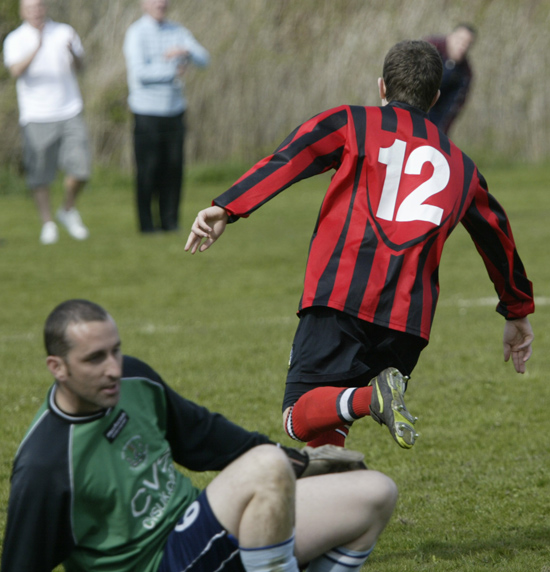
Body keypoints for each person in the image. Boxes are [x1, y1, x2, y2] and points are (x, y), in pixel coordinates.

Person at [185, 40, 535, 451]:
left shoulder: (353, 122)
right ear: (435, 98)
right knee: (329, 428)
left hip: (341, 298)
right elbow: (497, 235)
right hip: (407, 322)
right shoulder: (464, 168)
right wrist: (517, 310)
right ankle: (347, 449)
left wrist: (228, 206)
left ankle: (372, 399)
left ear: (382, 87)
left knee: (297, 417)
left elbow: (290, 157)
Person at [1, 299, 397, 572]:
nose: (112, 368)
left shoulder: (134, 379)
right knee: (266, 465)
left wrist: (300, 461)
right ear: (57, 367)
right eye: (94, 358)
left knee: (375, 493)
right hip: (159, 563)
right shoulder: (45, 465)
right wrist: (278, 462)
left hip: (196, 534)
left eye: (115, 351)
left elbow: (205, 437)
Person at [3, 0, 91, 245]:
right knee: (39, 173)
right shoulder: (15, 38)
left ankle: (67, 209)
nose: (36, 11)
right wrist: (37, 47)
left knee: (81, 168)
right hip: (36, 114)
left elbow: (81, 66)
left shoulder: (64, 31)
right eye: (30, 7)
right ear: (22, 11)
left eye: (39, 6)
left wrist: (72, 52)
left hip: (70, 109)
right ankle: (47, 224)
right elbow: (15, 71)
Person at [123, 0, 209, 234]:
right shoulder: (136, 33)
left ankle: (170, 222)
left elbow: (204, 59)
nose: (160, 4)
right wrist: (171, 68)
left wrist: (185, 51)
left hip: (174, 111)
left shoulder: (177, 31)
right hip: (146, 112)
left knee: (173, 168)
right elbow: (140, 73)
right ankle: (147, 226)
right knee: (148, 169)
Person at [425, 23, 477, 135]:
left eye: (467, 44)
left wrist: (439, 135)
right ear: (450, 36)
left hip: (434, 117)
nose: (462, 46)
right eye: (460, 40)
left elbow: (451, 109)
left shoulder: (464, 74)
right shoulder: (428, 49)